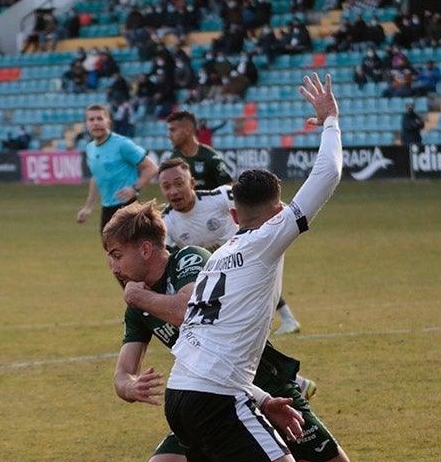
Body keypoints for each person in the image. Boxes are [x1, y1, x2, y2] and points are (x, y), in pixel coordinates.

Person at [109, 74, 342, 462]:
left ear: (232, 211)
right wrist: (330, 120)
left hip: (186, 395)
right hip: (214, 399)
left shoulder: (219, 255)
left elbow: (199, 337)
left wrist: (261, 399)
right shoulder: (266, 239)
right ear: (278, 211)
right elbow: (329, 176)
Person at [158, 158, 306, 336]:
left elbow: (267, 206)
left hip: (243, 255)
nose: (173, 191)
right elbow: (164, 257)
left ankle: (287, 318)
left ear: (191, 183)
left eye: (179, 183)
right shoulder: (165, 221)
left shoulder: (220, 196)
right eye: (166, 187)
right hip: (211, 269)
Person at [76, 104, 158, 233]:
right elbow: (96, 177)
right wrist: (88, 208)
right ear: (86, 124)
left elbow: (151, 168)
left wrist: (134, 188)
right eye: (91, 120)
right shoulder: (90, 148)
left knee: (132, 251)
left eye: (100, 118)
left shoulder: (122, 144)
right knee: (111, 251)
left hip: (128, 208)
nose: (96, 123)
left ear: (108, 120)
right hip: (107, 209)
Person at [164, 111, 231, 192]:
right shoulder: (174, 160)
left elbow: (229, 190)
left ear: (187, 130)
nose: (168, 135)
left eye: (173, 130)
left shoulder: (211, 157)